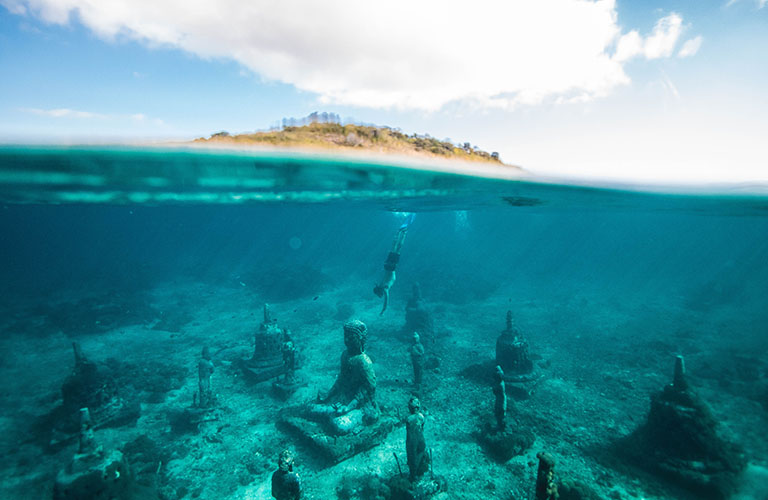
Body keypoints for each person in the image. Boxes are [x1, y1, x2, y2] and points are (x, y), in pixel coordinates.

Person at [374, 214, 415, 315]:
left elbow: (386, 301)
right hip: (387, 266)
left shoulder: (385, 288)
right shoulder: (381, 284)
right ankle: (399, 233)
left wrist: (383, 311)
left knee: (398, 248)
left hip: (392, 267)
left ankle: (403, 232)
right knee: (394, 248)